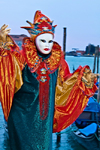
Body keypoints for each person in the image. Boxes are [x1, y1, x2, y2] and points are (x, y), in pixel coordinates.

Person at [0, 10, 98, 150]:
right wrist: (3, 45)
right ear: (34, 40)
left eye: (50, 41)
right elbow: (7, 74)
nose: (47, 44)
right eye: (43, 40)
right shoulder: (22, 59)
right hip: (21, 116)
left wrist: (83, 81)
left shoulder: (57, 62)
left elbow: (64, 85)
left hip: (44, 118)